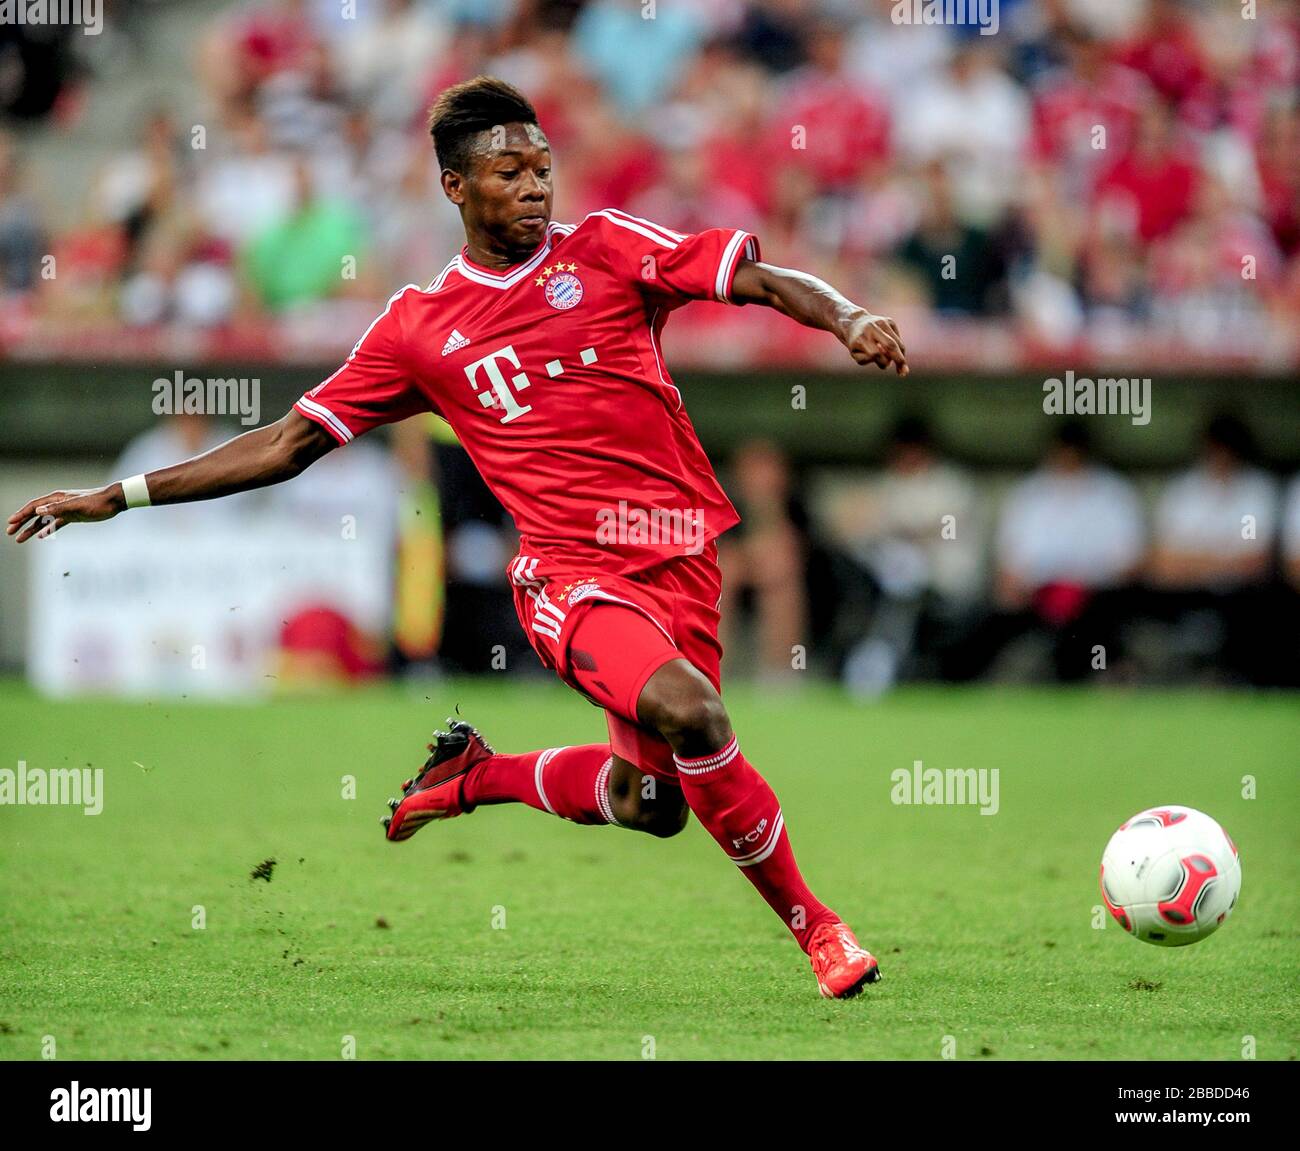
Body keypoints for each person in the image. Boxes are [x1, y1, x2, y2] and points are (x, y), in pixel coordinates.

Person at [7, 77, 908, 999]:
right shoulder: (418, 328)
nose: (533, 187)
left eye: (543, 169)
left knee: (654, 804)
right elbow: (287, 442)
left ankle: (473, 776)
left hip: (681, 556)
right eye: (508, 170)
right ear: (454, 187)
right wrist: (119, 495)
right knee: (696, 715)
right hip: (569, 576)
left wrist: (846, 316)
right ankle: (821, 930)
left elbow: (754, 277)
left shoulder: (606, 247)